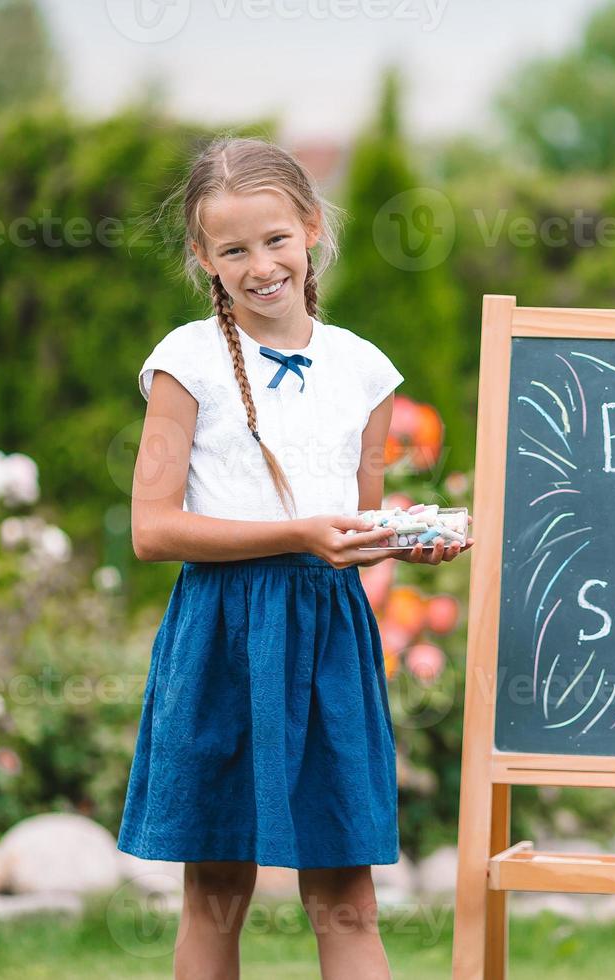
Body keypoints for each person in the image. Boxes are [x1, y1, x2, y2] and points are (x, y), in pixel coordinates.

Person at [117, 135, 471, 979]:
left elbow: (354, 521)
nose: (259, 264)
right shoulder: (185, 363)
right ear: (202, 255)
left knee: (346, 900)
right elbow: (152, 529)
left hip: (328, 642)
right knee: (214, 893)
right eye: (232, 249)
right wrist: (299, 534)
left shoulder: (364, 373)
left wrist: (402, 538)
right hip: (222, 638)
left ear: (311, 228)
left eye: (274, 239)